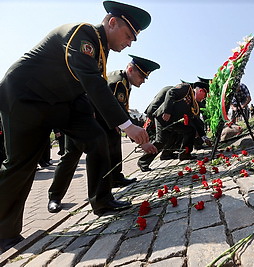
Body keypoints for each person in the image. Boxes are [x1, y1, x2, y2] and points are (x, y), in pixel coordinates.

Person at [0, 0, 156, 254]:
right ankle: (4, 235)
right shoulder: (83, 35)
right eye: (128, 36)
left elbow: (87, 94)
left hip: (61, 102)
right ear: (111, 22)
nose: (129, 43)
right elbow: (92, 84)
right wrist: (127, 125)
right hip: (25, 96)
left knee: (97, 137)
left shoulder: (100, 54)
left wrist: (107, 125)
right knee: (20, 164)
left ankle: (102, 200)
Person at [47, 55, 160, 213]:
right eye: (141, 75)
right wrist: (138, 136)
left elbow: (120, 109)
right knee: (71, 156)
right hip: (82, 119)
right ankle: (55, 197)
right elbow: (114, 107)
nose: (143, 80)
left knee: (108, 148)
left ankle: (113, 181)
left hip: (99, 123)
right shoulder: (117, 82)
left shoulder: (125, 83)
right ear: (130, 69)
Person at [137, 80, 210, 172]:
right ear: (201, 91)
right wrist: (167, 111)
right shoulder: (186, 88)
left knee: (190, 130)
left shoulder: (194, 104)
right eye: (205, 95)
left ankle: (185, 154)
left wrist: (203, 136)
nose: (204, 98)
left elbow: (196, 121)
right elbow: (171, 93)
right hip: (162, 117)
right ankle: (143, 161)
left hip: (173, 122)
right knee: (160, 141)